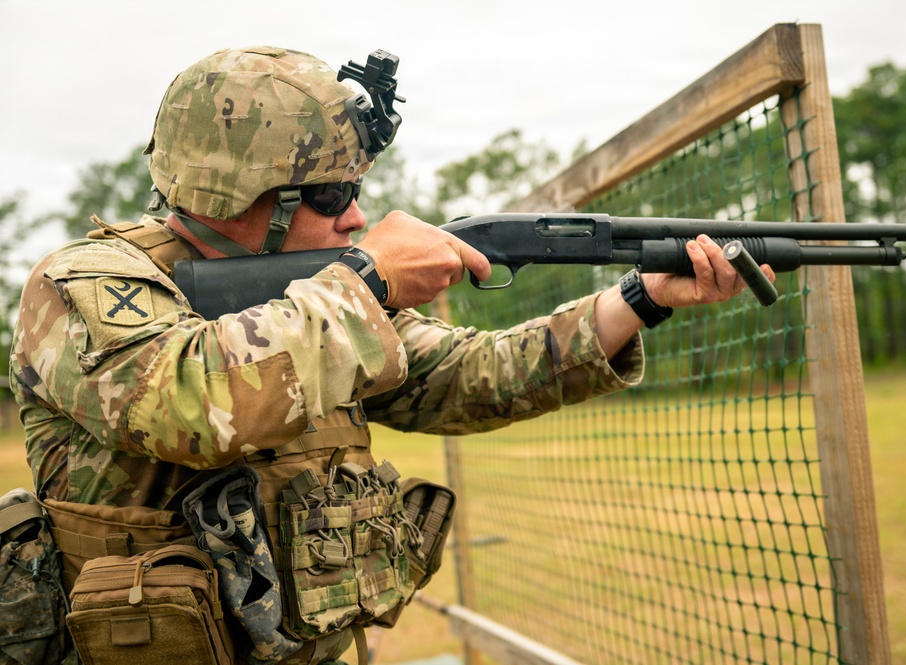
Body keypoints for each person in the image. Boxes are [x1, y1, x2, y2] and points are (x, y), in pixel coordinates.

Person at [7, 46, 773, 665]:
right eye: (334, 194)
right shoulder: (82, 284)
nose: (359, 215)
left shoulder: (317, 297)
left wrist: (638, 300)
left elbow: (465, 375)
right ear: (249, 194)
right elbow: (189, 404)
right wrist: (368, 277)